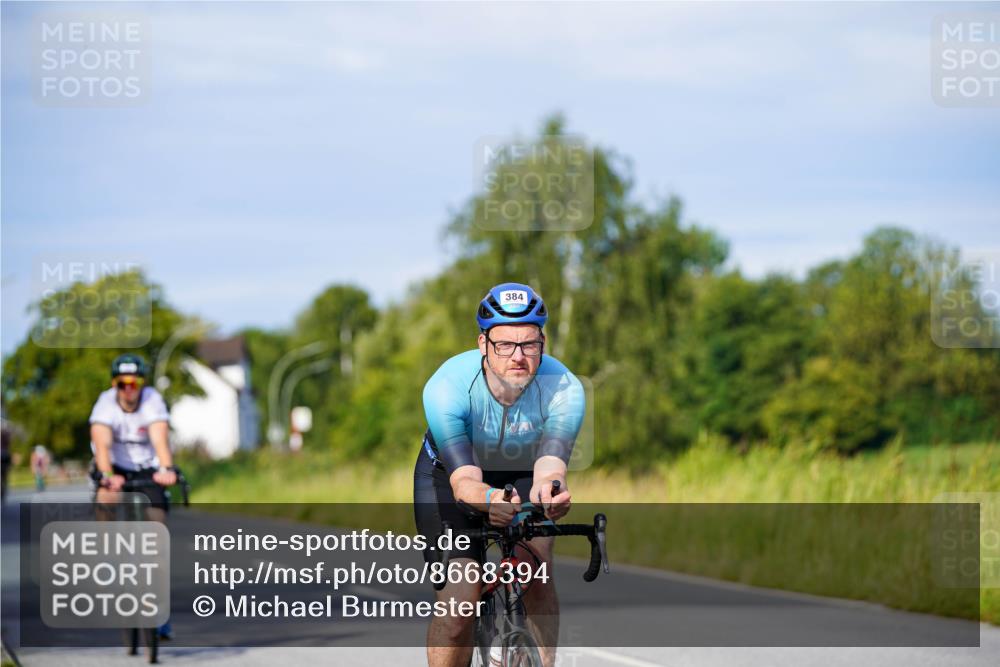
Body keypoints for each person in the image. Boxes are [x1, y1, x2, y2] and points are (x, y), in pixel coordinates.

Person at [414, 282, 585, 667]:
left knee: (537, 569)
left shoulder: (564, 389)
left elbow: (550, 467)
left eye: (529, 344)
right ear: (483, 344)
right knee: (460, 600)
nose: (518, 356)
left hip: (520, 469)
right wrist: (491, 500)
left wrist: (551, 493)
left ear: (543, 342)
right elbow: (464, 483)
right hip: (450, 474)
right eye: (505, 344)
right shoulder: (446, 388)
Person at [89, 353, 177, 639]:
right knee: (107, 497)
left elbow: (160, 440)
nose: (129, 388)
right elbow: (102, 447)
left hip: (147, 469)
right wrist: (107, 476)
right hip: (115, 468)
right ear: (115, 384)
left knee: (157, 533)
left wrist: (166, 468)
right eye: (123, 383)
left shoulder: (152, 400)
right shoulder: (105, 405)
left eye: (135, 382)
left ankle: (159, 611)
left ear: (142, 383)